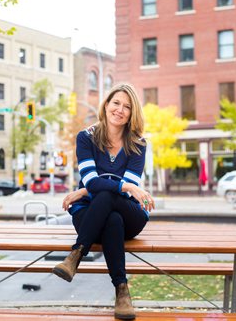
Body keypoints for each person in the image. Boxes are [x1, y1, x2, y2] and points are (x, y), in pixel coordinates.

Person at [52, 83, 155, 320]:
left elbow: (117, 193)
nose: (120, 109)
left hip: (131, 214)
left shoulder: (138, 144)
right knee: (112, 219)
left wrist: (87, 190)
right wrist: (120, 185)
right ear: (106, 104)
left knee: (112, 200)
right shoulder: (86, 138)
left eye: (127, 107)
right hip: (90, 215)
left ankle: (77, 254)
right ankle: (122, 291)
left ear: (132, 113)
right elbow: (93, 181)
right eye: (116, 103)